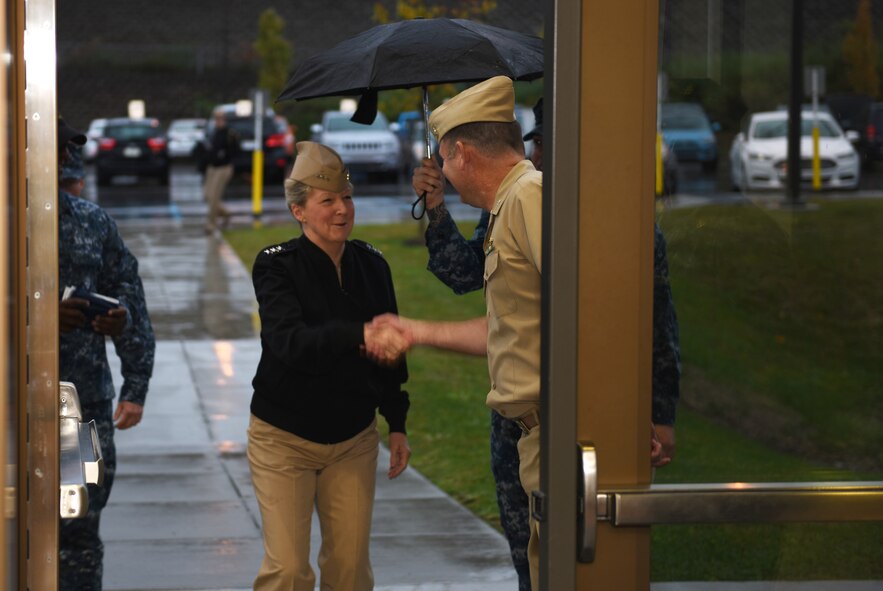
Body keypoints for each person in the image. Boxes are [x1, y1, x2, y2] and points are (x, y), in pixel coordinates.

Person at [409, 93, 681, 589]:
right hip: (533, 431)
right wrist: (435, 210)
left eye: (444, 156)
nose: (442, 168)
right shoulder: (510, 203)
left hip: (563, 435)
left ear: (464, 152)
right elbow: (504, 298)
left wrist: (417, 332)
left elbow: (597, 310)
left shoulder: (530, 199)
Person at [247, 141, 412, 591]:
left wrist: (396, 422)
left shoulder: (373, 266)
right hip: (284, 441)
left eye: (347, 198)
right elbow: (289, 343)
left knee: (350, 572)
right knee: (288, 572)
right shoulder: (276, 267)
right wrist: (358, 334)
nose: (342, 210)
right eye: (327, 201)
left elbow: (392, 357)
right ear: (299, 212)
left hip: (353, 442)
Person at [57, 118, 156, 591]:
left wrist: (135, 379)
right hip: (10, 411)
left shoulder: (91, 223)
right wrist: (36, 322)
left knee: (76, 527)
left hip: (73, 416)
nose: (62, 162)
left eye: (64, 154)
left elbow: (128, 295)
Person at [202, 109, 238, 234]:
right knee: (207, 195)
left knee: (214, 197)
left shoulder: (230, 133)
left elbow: (235, 150)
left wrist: (225, 157)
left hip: (224, 167)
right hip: (212, 167)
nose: (218, 121)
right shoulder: (214, 132)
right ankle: (226, 213)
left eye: (221, 118)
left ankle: (211, 224)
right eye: (216, 118)